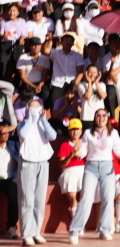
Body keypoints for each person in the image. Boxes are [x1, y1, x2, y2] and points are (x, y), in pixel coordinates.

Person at [68, 108, 120, 244]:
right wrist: (75, 153)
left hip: (107, 167)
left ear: (108, 117)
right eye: (99, 115)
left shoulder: (113, 133)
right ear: (95, 117)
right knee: (86, 199)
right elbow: (83, 151)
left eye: (104, 115)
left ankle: (104, 230)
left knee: (108, 199)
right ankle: (75, 231)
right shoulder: (88, 133)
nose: (101, 118)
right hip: (91, 167)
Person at [18, 99, 56, 246]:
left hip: (43, 163)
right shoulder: (23, 124)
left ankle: (36, 232)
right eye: (32, 108)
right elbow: (22, 134)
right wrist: (29, 118)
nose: (36, 110)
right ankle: (26, 234)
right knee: (27, 200)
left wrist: (44, 120)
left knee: (40, 200)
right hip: (28, 162)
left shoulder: (43, 124)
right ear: (28, 109)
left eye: (38, 107)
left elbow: (53, 136)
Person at [57, 119, 85, 221]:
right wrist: (71, 155)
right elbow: (61, 164)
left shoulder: (86, 144)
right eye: (72, 129)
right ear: (69, 131)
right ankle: (76, 223)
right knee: (73, 199)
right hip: (69, 172)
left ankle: (80, 222)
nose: (75, 132)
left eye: (77, 129)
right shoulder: (64, 145)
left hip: (84, 172)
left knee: (84, 199)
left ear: (81, 131)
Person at [49, 33, 84, 109]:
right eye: (66, 40)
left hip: (72, 84)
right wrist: (49, 40)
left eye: (70, 41)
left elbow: (81, 72)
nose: (68, 42)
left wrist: (75, 83)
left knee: (73, 105)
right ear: (61, 42)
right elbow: (45, 50)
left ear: (73, 43)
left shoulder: (78, 55)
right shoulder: (56, 53)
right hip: (57, 83)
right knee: (54, 104)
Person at [0, 120, 19, 239]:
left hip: (10, 179)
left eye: (8, 132)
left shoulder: (13, 142)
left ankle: (11, 227)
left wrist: (8, 129)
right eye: (3, 132)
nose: (6, 134)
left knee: (14, 195)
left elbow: (21, 127)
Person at [102, 34, 120, 115]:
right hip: (112, 83)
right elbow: (108, 75)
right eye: (114, 43)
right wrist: (112, 63)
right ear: (110, 45)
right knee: (110, 95)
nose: (117, 45)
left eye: (118, 42)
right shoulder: (106, 57)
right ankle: (112, 117)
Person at [17, 37, 51, 105]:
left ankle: (42, 108)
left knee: (46, 93)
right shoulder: (23, 57)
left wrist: (39, 85)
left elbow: (44, 76)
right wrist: (33, 86)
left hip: (39, 83)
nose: (36, 47)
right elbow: (22, 77)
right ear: (30, 46)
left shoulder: (45, 58)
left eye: (38, 45)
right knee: (31, 94)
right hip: (27, 83)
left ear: (41, 46)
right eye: (34, 45)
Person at [78, 65, 107, 131]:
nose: (93, 74)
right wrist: (89, 82)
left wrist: (96, 83)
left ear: (98, 74)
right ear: (86, 73)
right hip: (87, 117)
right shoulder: (81, 85)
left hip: (99, 117)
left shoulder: (102, 84)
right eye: (90, 72)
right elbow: (88, 97)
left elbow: (103, 96)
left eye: (95, 72)